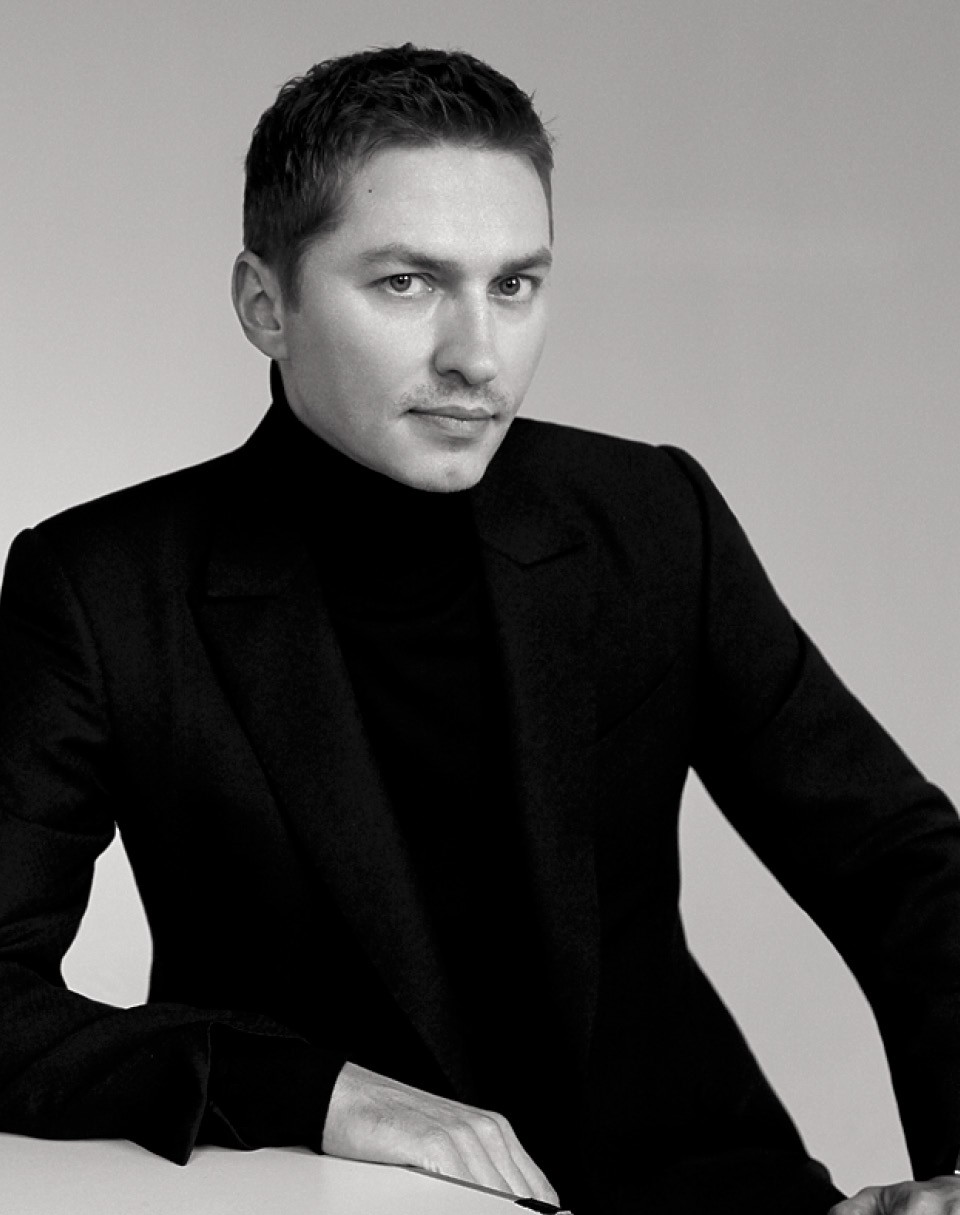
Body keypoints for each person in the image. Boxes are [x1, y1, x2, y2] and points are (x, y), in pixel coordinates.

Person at [0, 43, 958, 1215]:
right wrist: (317, 1094)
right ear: (264, 303)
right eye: (407, 283)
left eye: (514, 285)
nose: (478, 357)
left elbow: (899, 866)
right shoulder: (101, 588)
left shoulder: (651, 517)